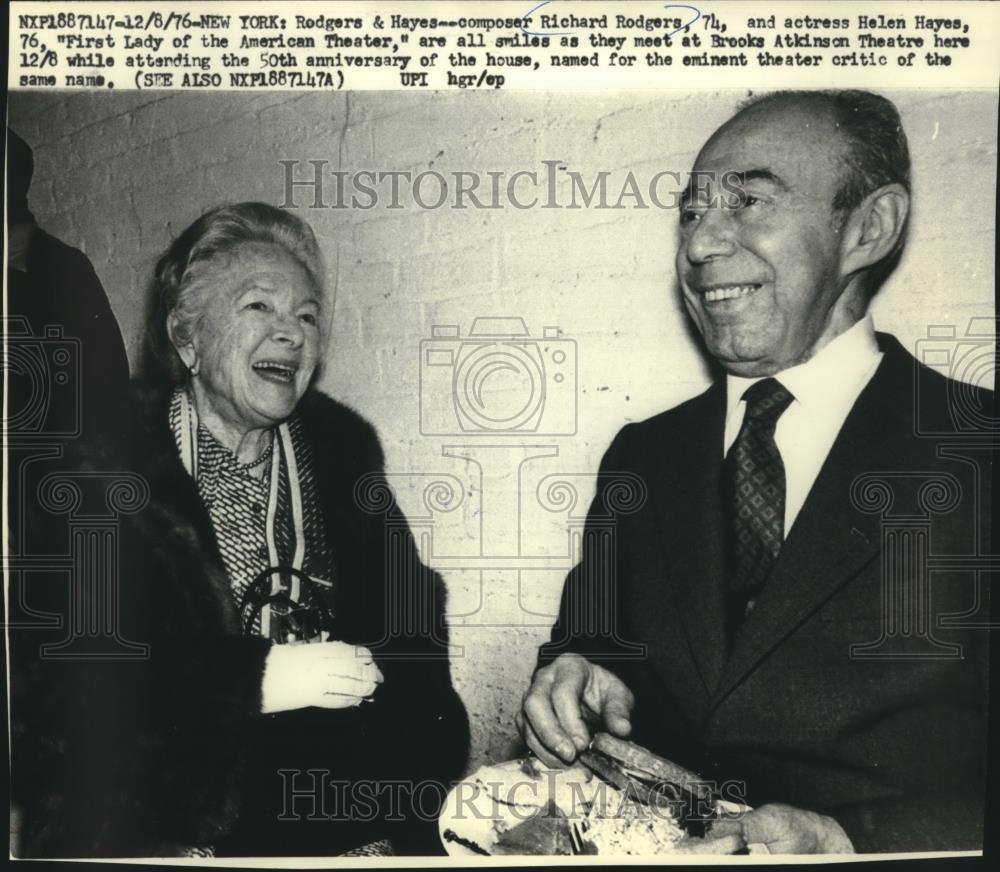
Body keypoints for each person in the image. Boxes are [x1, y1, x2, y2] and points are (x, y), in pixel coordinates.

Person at [518, 91, 991, 853]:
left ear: (867, 228)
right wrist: (575, 674)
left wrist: (852, 840)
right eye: (692, 211)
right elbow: (593, 645)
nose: (701, 244)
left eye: (747, 200)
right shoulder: (642, 457)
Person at [12, 203, 469, 857]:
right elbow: (53, 697)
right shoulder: (94, 466)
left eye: (307, 316)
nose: (292, 334)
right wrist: (248, 683)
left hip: (339, 828)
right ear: (188, 337)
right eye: (259, 307)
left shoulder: (344, 453)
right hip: (167, 838)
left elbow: (418, 636)